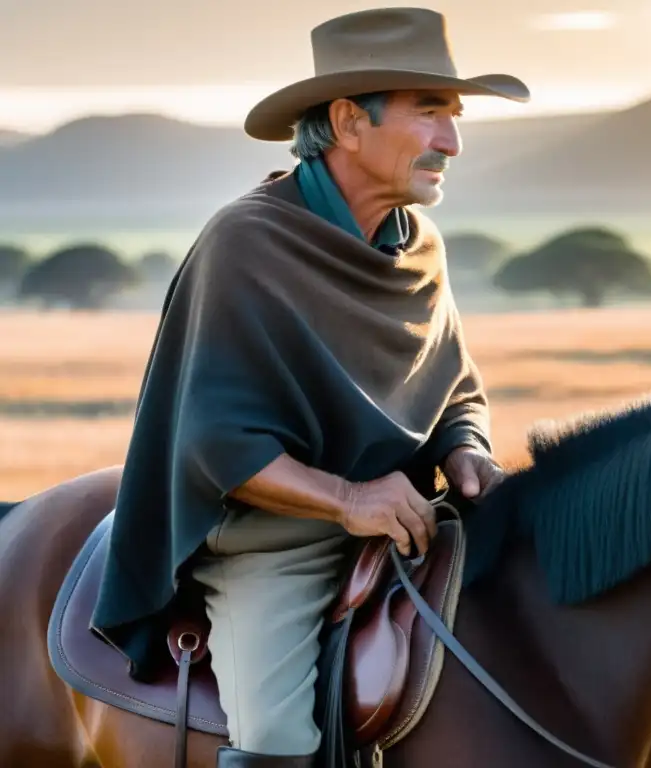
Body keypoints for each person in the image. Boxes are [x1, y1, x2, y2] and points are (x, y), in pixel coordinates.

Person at [89, 7, 530, 766]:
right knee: (276, 740)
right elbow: (214, 445)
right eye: (430, 114)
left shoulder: (419, 243)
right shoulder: (247, 242)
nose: (452, 143)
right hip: (273, 534)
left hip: (411, 520)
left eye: (454, 119)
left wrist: (466, 449)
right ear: (349, 121)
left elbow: (453, 385)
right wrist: (351, 500)